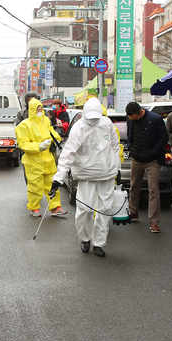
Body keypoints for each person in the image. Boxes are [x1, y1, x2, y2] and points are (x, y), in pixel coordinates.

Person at [50, 98, 119, 257]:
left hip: (107, 174)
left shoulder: (107, 124)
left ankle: (99, 243)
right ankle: (85, 238)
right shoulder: (78, 128)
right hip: (86, 175)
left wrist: (117, 167)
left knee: (105, 210)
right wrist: (59, 177)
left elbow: (114, 147)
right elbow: (68, 154)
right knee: (85, 210)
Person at [15, 98, 65, 217]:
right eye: (37, 109)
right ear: (31, 110)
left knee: (52, 185)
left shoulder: (46, 121)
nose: (39, 111)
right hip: (33, 162)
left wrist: (57, 139)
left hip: (48, 159)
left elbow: (51, 131)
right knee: (35, 187)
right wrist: (39, 146)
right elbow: (23, 144)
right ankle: (34, 207)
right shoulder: (24, 126)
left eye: (40, 108)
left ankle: (55, 207)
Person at [125, 101, 169, 233]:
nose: (133, 120)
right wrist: (131, 147)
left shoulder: (155, 119)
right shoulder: (130, 118)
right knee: (134, 186)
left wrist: (154, 151)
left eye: (134, 118)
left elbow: (164, 137)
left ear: (140, 112)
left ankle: (154, 221)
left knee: (153, 190)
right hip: (136, 158)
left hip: (152, 160)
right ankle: (133, 212)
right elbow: (129, 133)